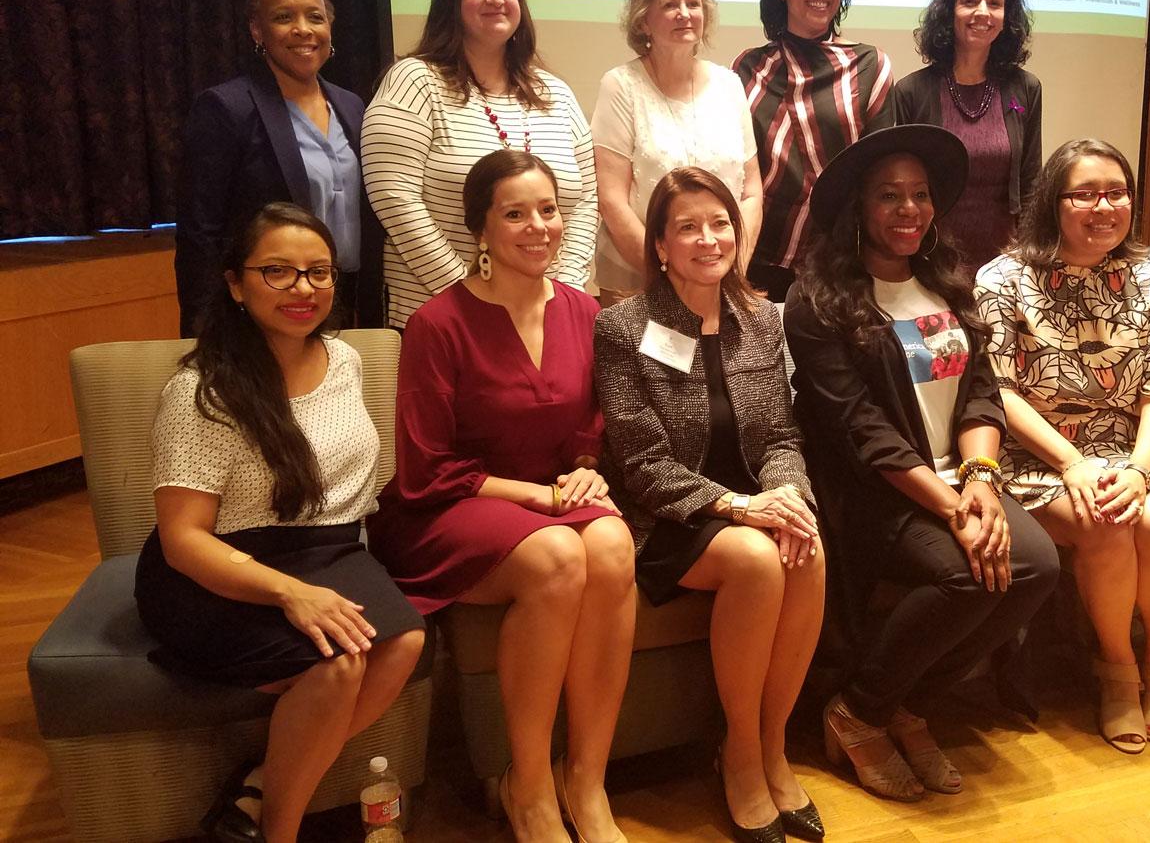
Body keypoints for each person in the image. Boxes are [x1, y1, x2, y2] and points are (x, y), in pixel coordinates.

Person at [783, 125, 1059, 802]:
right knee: (968, 576)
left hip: (959, 478)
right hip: (875, 492)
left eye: (920, 195)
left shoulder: (947, 283)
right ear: (858, 207)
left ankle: (900, 704)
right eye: (889, 196)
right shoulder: (816, 303)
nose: (908, 209)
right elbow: (861, 430)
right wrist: (950, 506)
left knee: (1037, 564)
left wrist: (982, 484)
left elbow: (980, 393)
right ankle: (858, 705)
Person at [135, 202, 426, 843]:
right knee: (338, 665)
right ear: (236, 284)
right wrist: (290, 593)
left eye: (318, 273)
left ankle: (263, 780)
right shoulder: (203, 391)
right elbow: (184, 539)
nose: (303, 289)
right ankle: (280, 832)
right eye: (278, 272)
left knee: (403, 642)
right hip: (221, 563)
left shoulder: (344, 361)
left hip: (327, 548)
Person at [366, 150, 634, 843]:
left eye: (547, 208)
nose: (538, 225)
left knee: (609, 541)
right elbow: (425, 466)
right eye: (515, 213)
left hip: (547, 495)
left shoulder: (584, 310)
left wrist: (586, 466)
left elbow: (590, 422)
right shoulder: (438, 323)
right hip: (448, 505)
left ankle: (588, 779)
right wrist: (543, 496)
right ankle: (530, 785)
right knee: (555, 556)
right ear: (481, 229)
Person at [594, 168, 824, 843]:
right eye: (687, 226)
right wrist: (736, 506)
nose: (707, 237)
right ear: (659, 246)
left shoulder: (761, 319)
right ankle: (742, 759)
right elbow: (641, 463)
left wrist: (785, 496)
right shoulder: (622, 327)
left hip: (753, 500)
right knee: (757, 557)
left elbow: (782, 433)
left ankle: (773, 746)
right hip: (669, 513)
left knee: (807, 548)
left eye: (719, 222)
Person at [974, 138, 1150, 754]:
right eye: (1086, 193)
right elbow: (1001, 393)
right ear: (1054, 202)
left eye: (1117, 192)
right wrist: (1072, 463)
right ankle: (1119, 672)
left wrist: (1142, 472)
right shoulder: (1004, 278)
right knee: (1103, 527)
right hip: (1036, 453)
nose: (1105, 206)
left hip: (1128, 450)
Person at [362, 0, 597, 328]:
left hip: (545, 320)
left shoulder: (556, 93)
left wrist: (561, 293)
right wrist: (474, 298)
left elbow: (587, 201)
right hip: (446, 322)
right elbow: (395, 201)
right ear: (451, 0)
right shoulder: (415, 82)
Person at [175, 0, 382, 335]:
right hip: (266, 307)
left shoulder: (353, 107)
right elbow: (199, 233)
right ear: (258, 31)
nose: (303, 29)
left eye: (315, 17)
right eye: (284, 17)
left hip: (342, 300)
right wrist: (202, 330)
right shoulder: (227, 107)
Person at [734, 0, 894, 301]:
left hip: (840, 266)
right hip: (754, 263)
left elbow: (879, 175)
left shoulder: (869, 66)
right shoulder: (748, 68)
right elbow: (734, 174)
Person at [593, 0, 763, 305]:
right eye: (670, 4)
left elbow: (752, 193)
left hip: (721, 283)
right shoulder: (621, 86)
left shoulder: (729, 85)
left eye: (693, 3)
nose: (684, 13)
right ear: (643, 21)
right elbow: (611, 200)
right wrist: (670, 274)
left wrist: (727, 270)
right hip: (638, 283)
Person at [892, 0, 1042, 269]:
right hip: (932, 261)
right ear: (950, 13)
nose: (983, 12)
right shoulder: (912, 92)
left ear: (1006, 16)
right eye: (970, 1)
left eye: (995, 3)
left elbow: (1030, 184)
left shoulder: (1026, 88)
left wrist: (1028, 258)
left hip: (1005, 265)